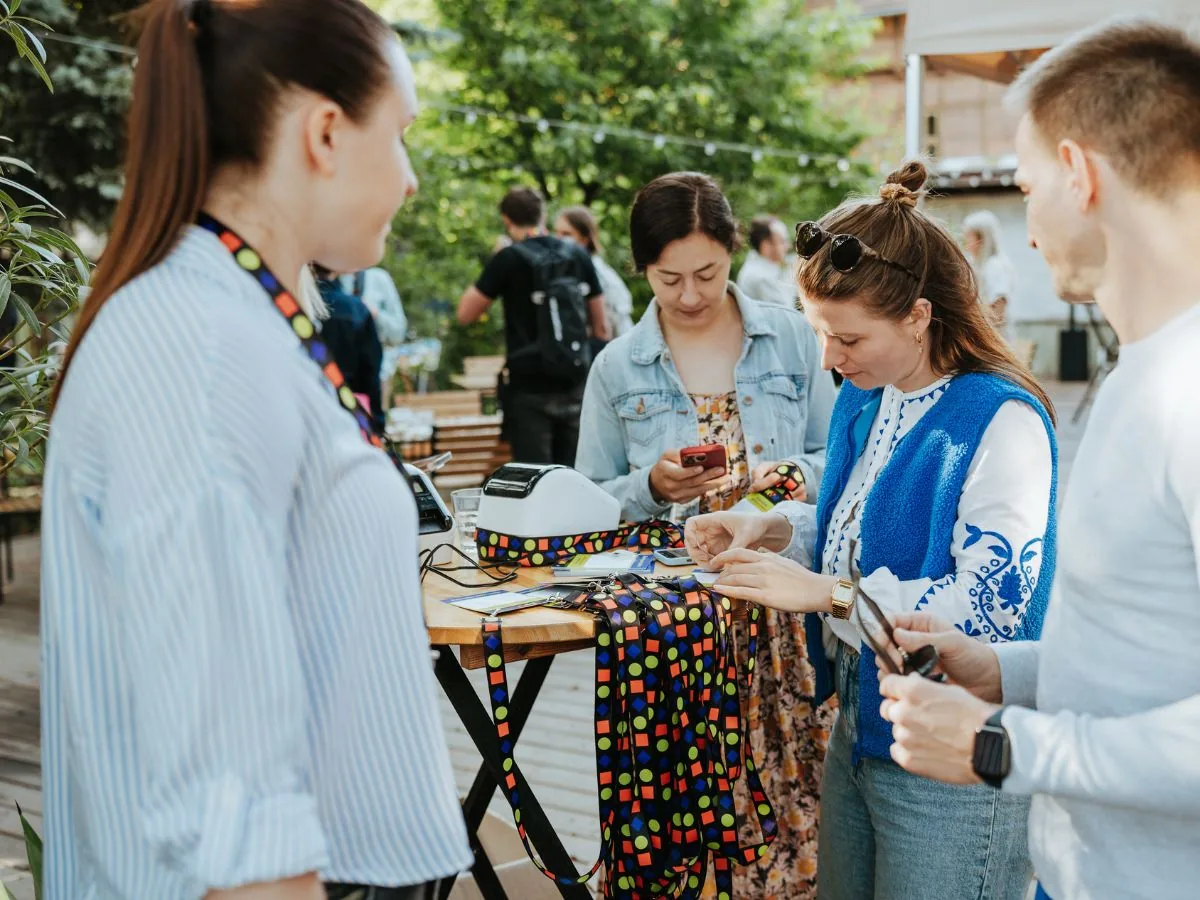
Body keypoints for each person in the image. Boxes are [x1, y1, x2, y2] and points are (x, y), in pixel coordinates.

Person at [41, 2, 470, 899]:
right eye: (401, 138)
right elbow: (229, 798)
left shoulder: (238, 318)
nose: (411, 179)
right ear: (325, 133)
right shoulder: (197, 348)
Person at [877, 20, 1200, 900]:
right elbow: (1157, 646)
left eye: (1026, 186)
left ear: (1079, 174)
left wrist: (1002, 744)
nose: (1026, 217)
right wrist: (1007, 670)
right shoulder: (1144, 369)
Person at [686, 161, 1058, 900]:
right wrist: (767, 532)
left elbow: (992, 612)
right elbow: (848, 523)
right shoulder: (869, 396)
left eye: (847, 337)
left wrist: (826, 595)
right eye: (822, 334)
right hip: (863, 729)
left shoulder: (1000, 421)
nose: (829, 358)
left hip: (955, 751)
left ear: (918, 318)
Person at [576, 172, 835, 900]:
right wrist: (652, 489)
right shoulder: (616, 367)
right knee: (684, 814)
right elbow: (587, 500)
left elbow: (836, 462)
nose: (690, 294)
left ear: (732, 253)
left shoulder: (791, 336)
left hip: (787, 619)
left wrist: (767, 496)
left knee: (797, 809)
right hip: (674, 628)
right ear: (641, 269)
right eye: (668, 278)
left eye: (708, 273)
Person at [456, 187, 610, 466]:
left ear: (506, 219)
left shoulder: (508, 258)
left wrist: (495, 260)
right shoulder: (577, 255)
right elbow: (602, 329)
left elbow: (465, 313)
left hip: (528, 390)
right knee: (576, 479)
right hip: (575, 384)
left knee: (534, 482)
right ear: (544, 215)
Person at [314, 265, 386, 432]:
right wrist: (378, 425)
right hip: (350, 413)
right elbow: (370, 374)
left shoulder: (285, 305)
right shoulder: (355, 309)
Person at [554, 204, 636, 338]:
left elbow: (608, 328)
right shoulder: (568, 270)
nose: (558, 240)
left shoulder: (599, 274)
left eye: (566, 234)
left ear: (584, 239)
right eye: (556, 233)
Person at [339, 266, 409, 405]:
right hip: (339, 376)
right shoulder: (330, 279)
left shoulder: (379, 279)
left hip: (378, 376)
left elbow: (398, 333)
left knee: (374, 422)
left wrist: (374, 314)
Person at [963, 209, 1018, 342]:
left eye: (969, 236)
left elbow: (998, 308)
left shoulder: (995, 266)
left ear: (981, 239)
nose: (966, 242)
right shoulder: (980, 264)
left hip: (995, 342)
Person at [736, 215, 797, 308]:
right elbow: (786, 311)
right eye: (782, 241)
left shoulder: (756, 266)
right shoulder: (761, 277)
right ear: (766, 246)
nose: (787, 246)